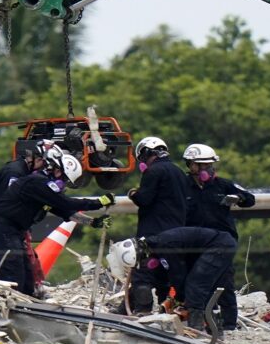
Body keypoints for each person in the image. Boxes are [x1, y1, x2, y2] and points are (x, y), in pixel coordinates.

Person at [0, 145, 114, 296]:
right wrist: (98, 202)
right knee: (13, 273)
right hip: (2, 228)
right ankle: (3, 304)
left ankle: (25, 304)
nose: (64, 184)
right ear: (57, 170)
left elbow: (64, 211)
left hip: (13, 231)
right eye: (64, 179)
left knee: (27, 278)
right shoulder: (37, 183)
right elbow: (65, 203)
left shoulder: (43, 189)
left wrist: (93, 222)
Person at [183, 143, 255, 330]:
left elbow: (250, 199)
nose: (207, 169)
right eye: (202, 165)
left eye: (210, 164)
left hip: (222, 243)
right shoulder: (182, 186)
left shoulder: (223, 185)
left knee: (225, 284)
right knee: (197, 282)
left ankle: (229, 324)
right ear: (191, 165)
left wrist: (238, 198)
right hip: (194, 243)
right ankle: (203, 320)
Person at [108, 227, 237, 330]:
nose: (144, 262)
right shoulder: (156, 245)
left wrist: (181, 301)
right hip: (222, 243)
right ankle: (227, 323)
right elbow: (161, 278)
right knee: (221, 282)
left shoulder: (166, 247)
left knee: (196, 284)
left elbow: (178, 276)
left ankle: (196, 327)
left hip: (219, 245)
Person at [122, 136, 191, 314]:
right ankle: (165, 312)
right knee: (164, 276)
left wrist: (133, 194)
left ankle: (142, 310)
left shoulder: (153, 172)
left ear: (146, 153)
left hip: (152, 233)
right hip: (176, 233)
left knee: (142, 275)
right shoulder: (179, 173)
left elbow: (145, 199)